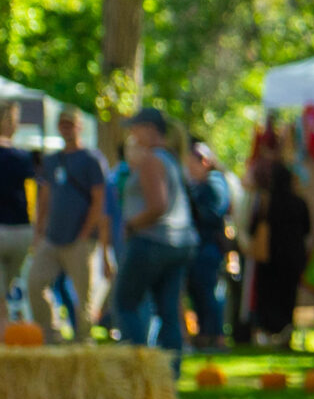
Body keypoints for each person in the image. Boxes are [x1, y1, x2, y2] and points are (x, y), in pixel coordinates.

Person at [112, 107, 197, 370]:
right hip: (179, 242)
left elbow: (157, 205)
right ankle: (169, 378)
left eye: (135, 128)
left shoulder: (151, 161)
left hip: (152, 241)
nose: (132, 134)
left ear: (149, 129)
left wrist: (130, 224)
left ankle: (138, 370)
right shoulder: (171, 159)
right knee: (169, 312)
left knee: (124, 303)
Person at [25, 111, 108, 340]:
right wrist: (39, 230)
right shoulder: (52, 160)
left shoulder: (92, 159)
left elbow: (99, 200)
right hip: (52, 237)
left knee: (84, 298)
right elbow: (46, 196)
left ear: (80, 127)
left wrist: (84, 233)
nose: (66, 128)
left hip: (80, 239)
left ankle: (83, 340)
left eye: (70, 124)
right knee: (35, 282)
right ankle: (51, 334)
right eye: (62, 124)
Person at [245, 156, 312, 346]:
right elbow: (307, 228)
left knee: (269, 295)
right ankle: (286, 331)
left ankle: (269, 331)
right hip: (293, 257)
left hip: (270, 257)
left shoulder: (267, 202)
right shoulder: (299, 202)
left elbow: (254, 228)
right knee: (288, 295)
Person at [182, 141, 235, 350]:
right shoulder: (198, 185)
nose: (189, 168)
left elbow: (213, 213)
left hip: (209, 247)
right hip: (198, 248)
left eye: (192, 164)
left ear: (205, 162)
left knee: (210, 294)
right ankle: (205, 335)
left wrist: (193, 206)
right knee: (198, 294)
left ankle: (216, 337)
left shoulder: (214, 183)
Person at [0, 128, 36, 320]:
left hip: (13, 229)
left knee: (7, 292)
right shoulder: (23, 157)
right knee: (13, 287)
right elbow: (33, 193)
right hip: (22, 230)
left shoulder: (22, 156)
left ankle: (8, 336)